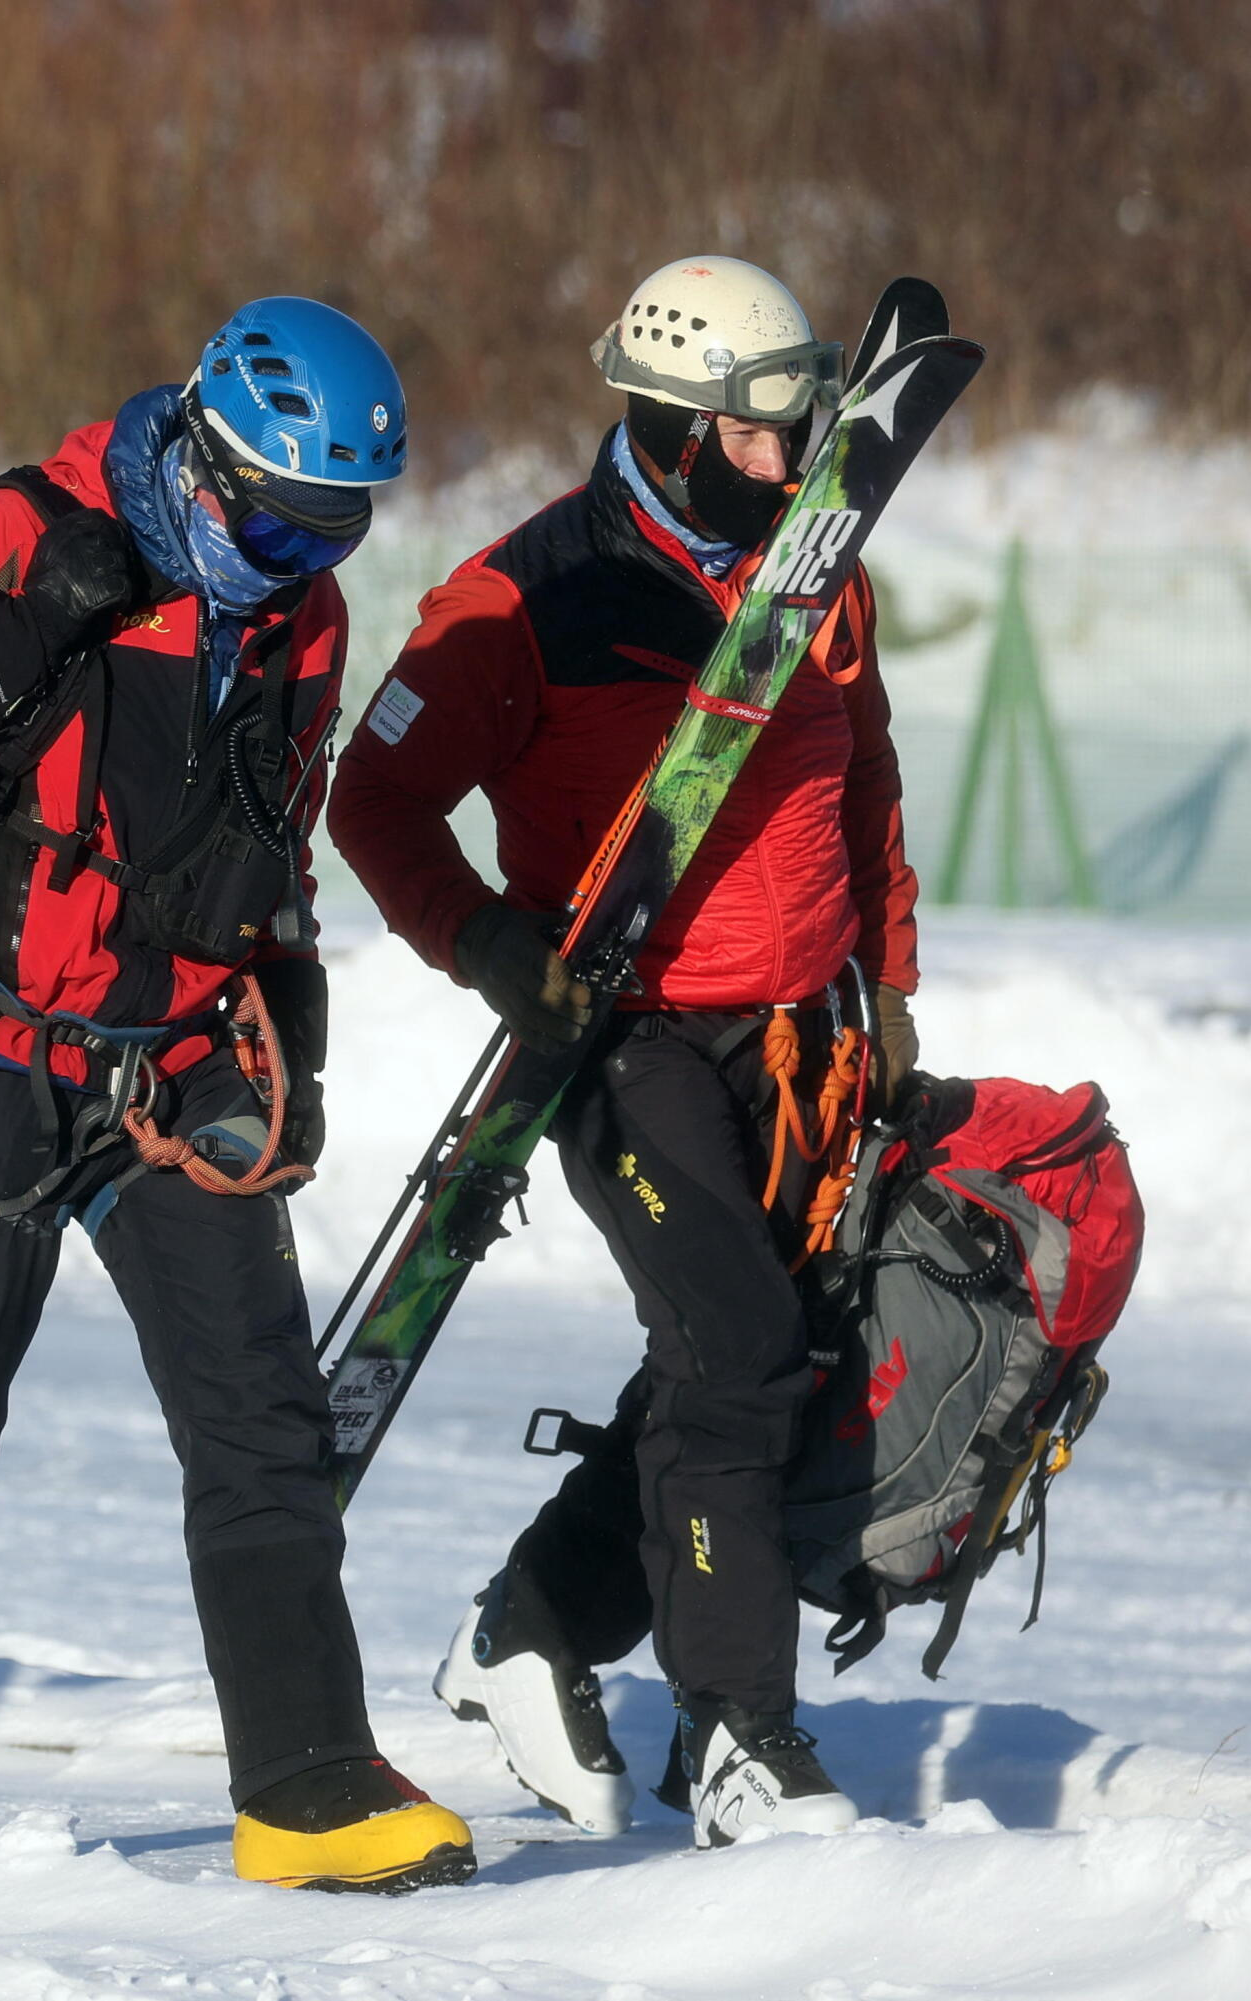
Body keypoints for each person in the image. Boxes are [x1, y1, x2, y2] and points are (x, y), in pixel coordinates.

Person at [0, 298, 473, 1892]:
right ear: (207, 459)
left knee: (266, 1431)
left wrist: (291, 1023)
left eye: (334, 526)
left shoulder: (305, 616)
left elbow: (274, 846)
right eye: (278, 516)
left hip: (181, 1070)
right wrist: (30, 624)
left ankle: (308, 1789)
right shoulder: (23, 529)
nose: (299, 555)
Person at [326, 256, 921, 1848]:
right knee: (737, 1353)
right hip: (621, 1040)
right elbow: (371, 801)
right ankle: (739, 1738)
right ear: (668, 427)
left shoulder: (823, 566)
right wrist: (482, 941)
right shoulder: (528, 596)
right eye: (757, 432)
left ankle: (528, 1625)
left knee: (730, 1356)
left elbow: (862, 780)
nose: (793, 462)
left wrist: (892, 987)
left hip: (798, 1040)